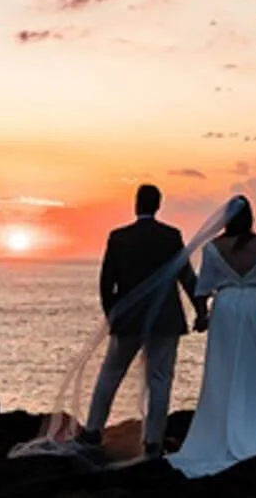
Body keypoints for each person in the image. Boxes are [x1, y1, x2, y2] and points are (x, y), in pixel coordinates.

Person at [166, 194, 256, 478]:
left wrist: (202, 316)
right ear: (250, 218)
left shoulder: (214, 249)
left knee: (222, 370)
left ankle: (223, 429)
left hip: (226, 309)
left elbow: (203, 289)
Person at [76, 183, 201, 460]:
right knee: (160, 379)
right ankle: (154, 440)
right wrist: (201, 309)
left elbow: (106, 282)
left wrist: (112, 316)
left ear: (136, 204)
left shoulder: (119, 237)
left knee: (110, 373)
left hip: (128, 319)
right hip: (165, 319)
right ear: (158, 205)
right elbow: (186, 276)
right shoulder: (171, 236)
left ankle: (94, 429)